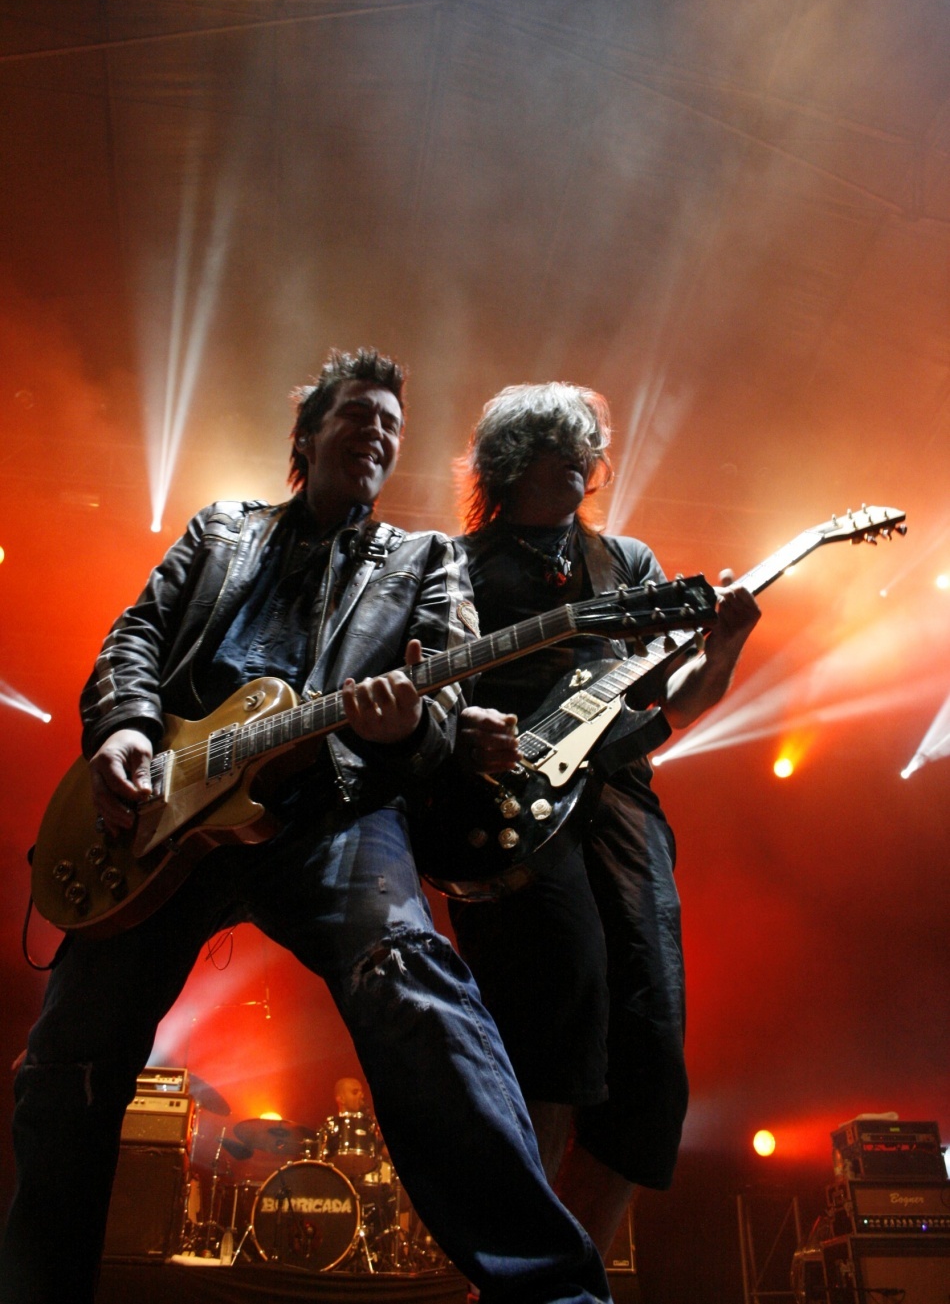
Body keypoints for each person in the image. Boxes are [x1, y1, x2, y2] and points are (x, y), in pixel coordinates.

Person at [0, 352, 611, 1304]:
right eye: (360, 414)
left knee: (414, 990)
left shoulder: (424, 560)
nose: (379, 433)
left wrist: (408, 722)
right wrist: (124, 725)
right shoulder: (223, 530)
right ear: (308, 432)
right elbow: (137, 635)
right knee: (60, 1070)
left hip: (333, 807)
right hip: (172, 810)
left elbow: (442, 719)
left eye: (392, 427)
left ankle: (556, 1294)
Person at [448, 382, 761, 1258]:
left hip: (622, 812)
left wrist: (726, 643)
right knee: (552, 1033)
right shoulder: (454, 567)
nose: (583, 462)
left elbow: (678, 703)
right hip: (508, 821)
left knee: (652, 1055)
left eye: (588, 446)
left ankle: (567, 1275)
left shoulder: (625, 563)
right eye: (561, 446)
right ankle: (514, 1271)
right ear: (514, 462)